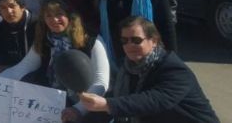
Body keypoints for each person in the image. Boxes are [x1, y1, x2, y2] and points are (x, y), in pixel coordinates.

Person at [80, 16, 219, 123]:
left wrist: (107, 104)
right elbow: (119, 99)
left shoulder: (174, 70)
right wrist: (78, 113)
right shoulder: (129, 67)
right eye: (124, 41)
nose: (129, 46)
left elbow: (152, 101)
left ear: (153, 41)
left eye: (136, 40)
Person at [1, 0, 110, 123]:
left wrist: (78, 109)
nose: (54, 20)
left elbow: (101, 82)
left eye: (59, 14)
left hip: (84, 104)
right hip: (51, 100)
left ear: (70, 16)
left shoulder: (91, 40)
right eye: (49, 16)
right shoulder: (44, 39)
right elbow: (24, 67)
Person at [0, 0, 36, 74]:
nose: (8, 11)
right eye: (3, 8)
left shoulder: (38, 26)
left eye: (12, 6)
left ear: (23, 7)